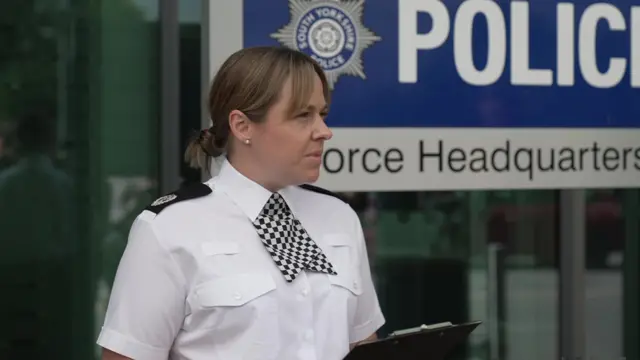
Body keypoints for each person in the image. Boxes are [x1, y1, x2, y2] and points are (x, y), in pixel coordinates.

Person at [97, 46, 385, 360]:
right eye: (303, 116)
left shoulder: (339, 217)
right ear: (242, 126)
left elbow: (363, 343)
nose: (324, 131)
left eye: (322, 114)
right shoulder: (171, 228)